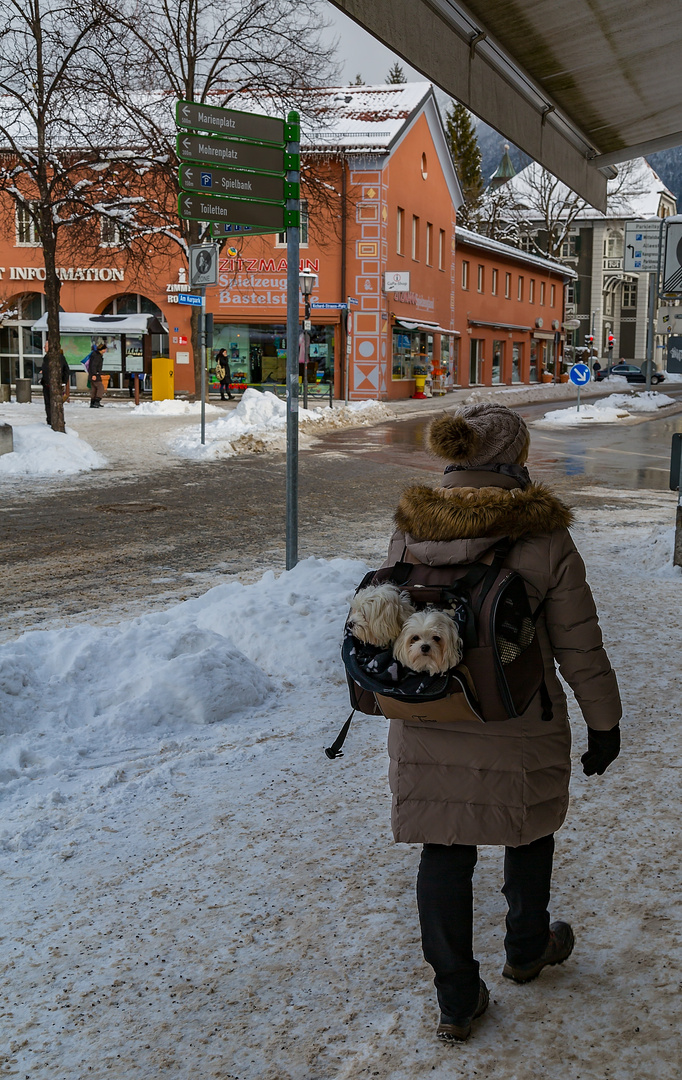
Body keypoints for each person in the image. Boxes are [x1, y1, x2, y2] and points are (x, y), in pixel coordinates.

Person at [382, 403, 622, 1043]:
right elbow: (577, 641)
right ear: (516, 459)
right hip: (518, 716)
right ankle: (525, 948)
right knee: (527, 825)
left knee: (445, 842)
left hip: (431, 710)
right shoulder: (543, 534)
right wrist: (606, 723)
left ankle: (457, 996)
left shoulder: (411, 524)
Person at [40, 345, 71, 425]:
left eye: (46, 346)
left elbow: (66, 370)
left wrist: (63, 382)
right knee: (48, 404)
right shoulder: (46, 357)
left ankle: (57, 421)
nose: (44, 347)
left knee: (56, 403)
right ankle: (50, 420)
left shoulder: (59, 357)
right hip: (46, 385)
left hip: (56, 385)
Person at [88, 342, 108, 408]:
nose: (105, 351)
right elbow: (94, 365)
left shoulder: (95, 355)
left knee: (94, 388)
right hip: (95, 374)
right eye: (104, 349)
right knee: (100, 387)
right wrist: (94, 374)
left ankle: (92, 403)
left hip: (93, 374)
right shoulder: (97, 356)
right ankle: (97, 401)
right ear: (101, 349)